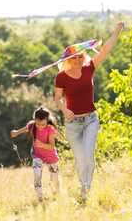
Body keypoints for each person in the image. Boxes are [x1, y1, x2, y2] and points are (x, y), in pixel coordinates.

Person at [54, 22, 125, 200]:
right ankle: (82, 184)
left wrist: (115, 32)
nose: (78, 61)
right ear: (67, 60)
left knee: (88, 153)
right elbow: (57, 98)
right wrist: (64, 109)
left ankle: (86, 188)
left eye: (80, 57)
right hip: (73, 123)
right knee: (79, 158)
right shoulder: (61, 77)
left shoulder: (89, 68)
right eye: (74, 59)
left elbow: (106, 49)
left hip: (91, 119)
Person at [11, 107, 64, 201]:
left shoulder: (50, 129)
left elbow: (51, 146)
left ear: (47, 121)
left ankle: (57, 196)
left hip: (51, 157)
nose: (39, 126)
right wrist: (16, 132)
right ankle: (39, 197)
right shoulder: (32, 125)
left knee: (55, 179)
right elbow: (26, 129)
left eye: (42, 124)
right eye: (37, 124)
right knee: (36, 174)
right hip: (38, 156)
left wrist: (41, 145)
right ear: (34, 120)